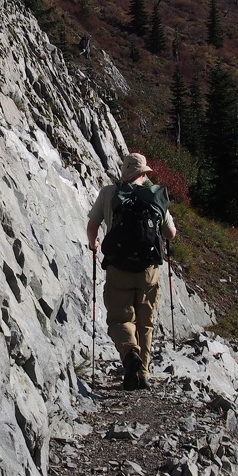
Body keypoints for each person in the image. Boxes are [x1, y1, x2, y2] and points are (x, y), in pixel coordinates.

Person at [86, 153, 176, 390]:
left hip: (118, 267)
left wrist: (93, 243)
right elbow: (170, 233)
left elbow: (92, 225)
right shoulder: (154, 195)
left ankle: (129, 354)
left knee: (120, 318)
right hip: (148, 270)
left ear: (124, 173)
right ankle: (143, 374)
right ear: (144, 173)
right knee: (146, 321)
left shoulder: (109, 193)